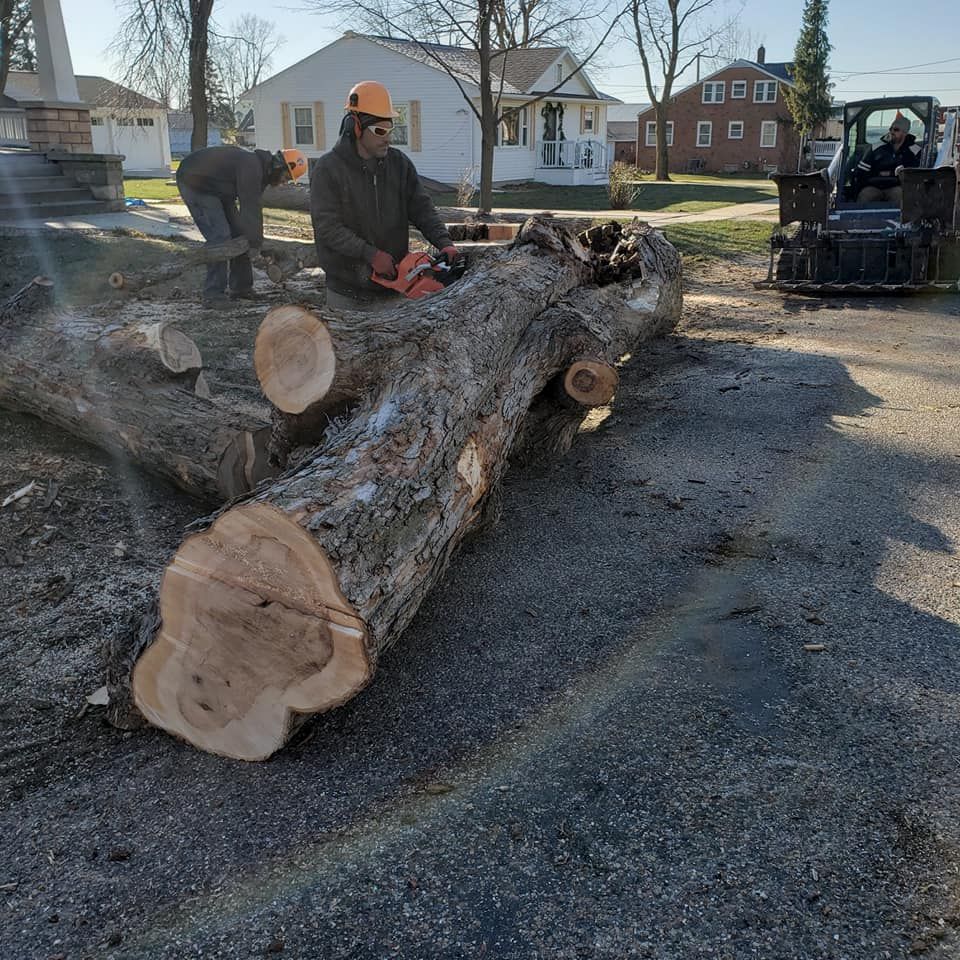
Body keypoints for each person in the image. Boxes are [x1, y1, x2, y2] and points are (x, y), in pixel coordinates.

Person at [310, 81, 459, 312]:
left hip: (394, 289)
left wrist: (444, 242)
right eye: (380, 131)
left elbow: (421, 208)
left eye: (390, 129)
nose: (387, 138)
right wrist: (370, 254)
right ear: (356, 127)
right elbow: (327, 227)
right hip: (347, 292)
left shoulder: (399, 165)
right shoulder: (329, 169)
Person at [176, 145, 308, 305]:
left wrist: (254, 241)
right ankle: (213, 294)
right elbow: (250, 207)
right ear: (279, 166)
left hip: (219, 189)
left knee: (240, 234)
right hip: (195, 183)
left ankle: (241, 289)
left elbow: (252, 211)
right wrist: (256, 245)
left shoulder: (260, 170)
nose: (283, 182)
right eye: (285, 177)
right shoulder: (251, 166)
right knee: (221, 236)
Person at [854, 113, 922, 205]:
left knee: (901, 197)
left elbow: (917, 175)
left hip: (898, 187)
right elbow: (861, 172)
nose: (892, 132)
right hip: (874, 186)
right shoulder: (875, 148)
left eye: (896, 130)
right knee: (865, 196)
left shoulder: (915, 151)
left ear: (905, 133)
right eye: (891, 129)